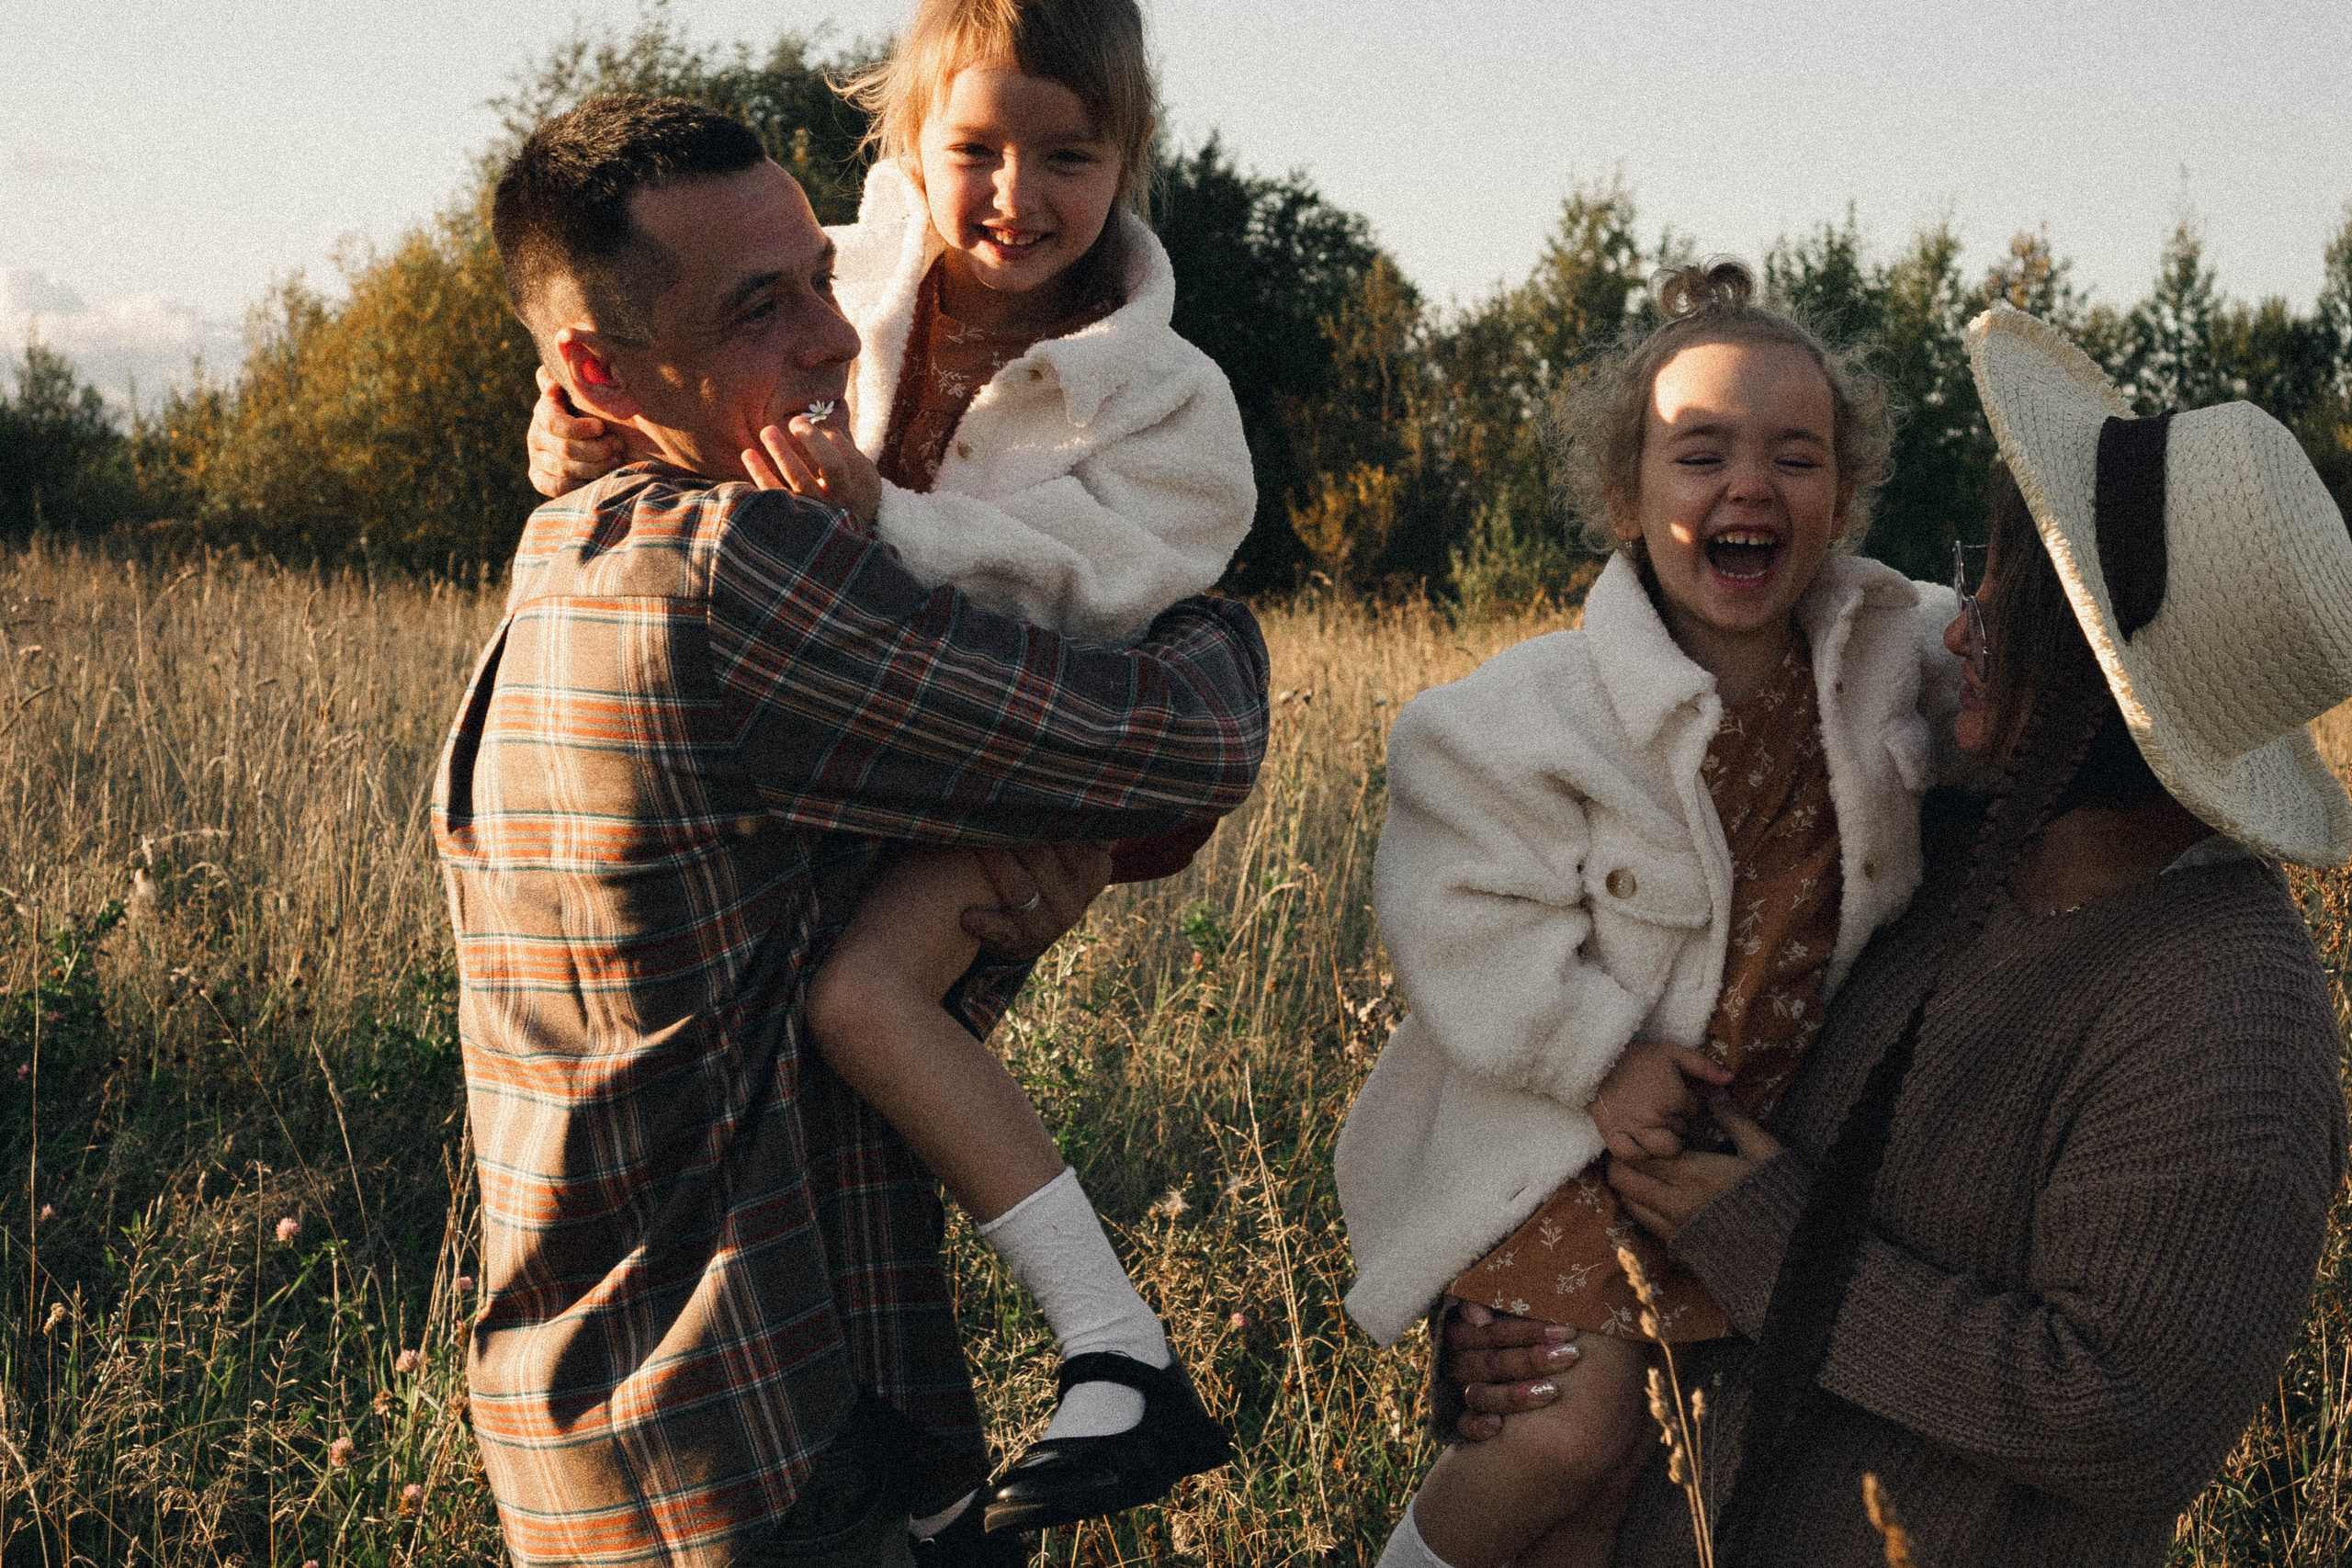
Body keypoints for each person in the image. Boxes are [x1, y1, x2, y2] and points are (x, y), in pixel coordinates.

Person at [440, 90, 1265, 1568]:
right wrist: (1192, 608)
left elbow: (783, 982)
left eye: (826, 273)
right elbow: (1188, 743)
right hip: (743, 1459)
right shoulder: (729, 582)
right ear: (598, 368)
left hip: (657, 1432)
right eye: (764, 307)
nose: (837, 337)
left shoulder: (570, 542)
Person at [1444, 303, 2352, 1566]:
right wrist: (1527, 1310)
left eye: (2014, 601)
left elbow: (2133, 1422)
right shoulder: (1929, 838)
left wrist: (1770, 1242)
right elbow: (1648, 1034)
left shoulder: (2224, 1011)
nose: (1960, 626)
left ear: (2108, 687)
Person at [1334, 259, 1961, 1568]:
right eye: (1701, 454)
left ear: (1841, 497)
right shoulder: (1533, 712)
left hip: (1740, 1159)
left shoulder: (1892, 652)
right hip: (1573, 1141)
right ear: (1627, 496)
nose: (1751, 486)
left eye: (1797, 457)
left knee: (1612, 1510)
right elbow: (1458, 907)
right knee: (1564, 1440)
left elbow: (2023, 664)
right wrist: (1598, 1055)